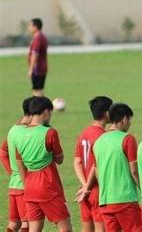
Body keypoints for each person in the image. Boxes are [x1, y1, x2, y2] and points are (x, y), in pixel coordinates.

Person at [77, 103, 142, 231]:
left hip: (105, 202)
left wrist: (87, 188)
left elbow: (95, 169)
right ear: (124, 119)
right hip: (125, 200)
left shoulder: (99, 141)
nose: (129, 124)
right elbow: (134, 171)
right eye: (129, 121)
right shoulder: (127, 139)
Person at [15, 96, 72, 231]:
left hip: (30, 187)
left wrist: (27, 184)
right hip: (48, 186)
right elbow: (60, 159)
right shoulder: (49, 132)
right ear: (46, 112)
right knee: (66, 228)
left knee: (34, 229)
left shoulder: (20, 134)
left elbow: (20, 163)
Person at [73, 96, 113, 232]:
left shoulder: (83, 132)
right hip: (97, 190)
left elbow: (77, 161)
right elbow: (96, 166)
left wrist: (84, 185)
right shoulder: (103, 136)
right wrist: (88, 187)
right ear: (107, 113)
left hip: (84, 191)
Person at [0, 97, 35, 232]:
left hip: (13, 186)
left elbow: (2, 152)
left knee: (14, 224)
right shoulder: (26, 134)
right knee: (27, 224)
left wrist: (12, 172)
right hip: (24, 186)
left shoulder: (13, 130)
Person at [28, 18, 48, 96]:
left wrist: (31, 69)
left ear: (35, 27)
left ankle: (39, 107)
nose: (29, 28)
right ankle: (42, 107)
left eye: (30, 25)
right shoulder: (42, 37)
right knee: (39, 89)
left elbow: (35, 54)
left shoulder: (38, 38)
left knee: (37, 90)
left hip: (37, 68)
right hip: (42, 67)